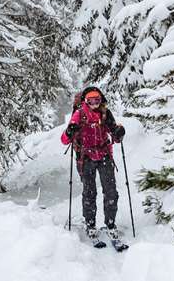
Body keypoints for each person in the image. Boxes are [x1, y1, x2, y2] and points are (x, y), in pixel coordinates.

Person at [61, 86, 126, 247]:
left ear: (101, 99)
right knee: (89, 192)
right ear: (85, 101)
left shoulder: (105, 113)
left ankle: (110, 225)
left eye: (97, 100)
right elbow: (64, 139)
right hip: (86, 158)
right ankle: (90, 226)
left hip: (104, 155)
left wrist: (119, 132)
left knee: (111, 191)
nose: (94, 103)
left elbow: (115, 135)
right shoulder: (79, 114)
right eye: (91, 101)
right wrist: (70, 131)